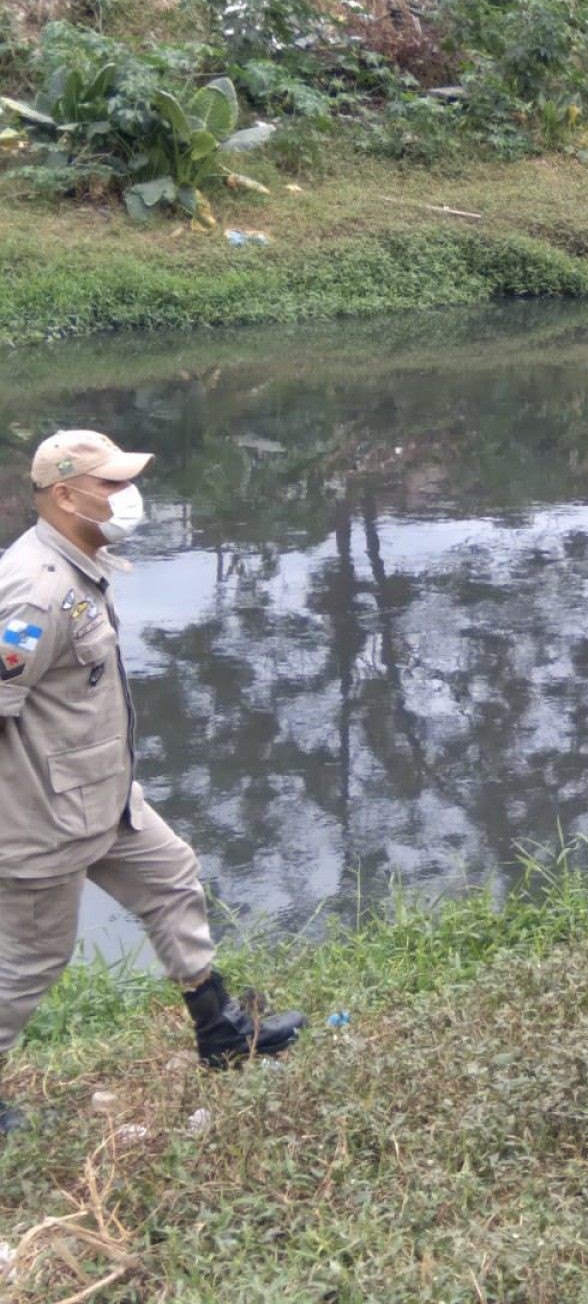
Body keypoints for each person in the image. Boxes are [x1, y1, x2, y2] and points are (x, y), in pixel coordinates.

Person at [0, 431, 304, 1135]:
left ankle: (223, 1029)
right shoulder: (35, 592)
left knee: (171, 876)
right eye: (109, 484)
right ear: (65, 495)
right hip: (41, 817)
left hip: (102, 797)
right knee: (29, 962)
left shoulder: (79, 566)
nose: (125, 496)